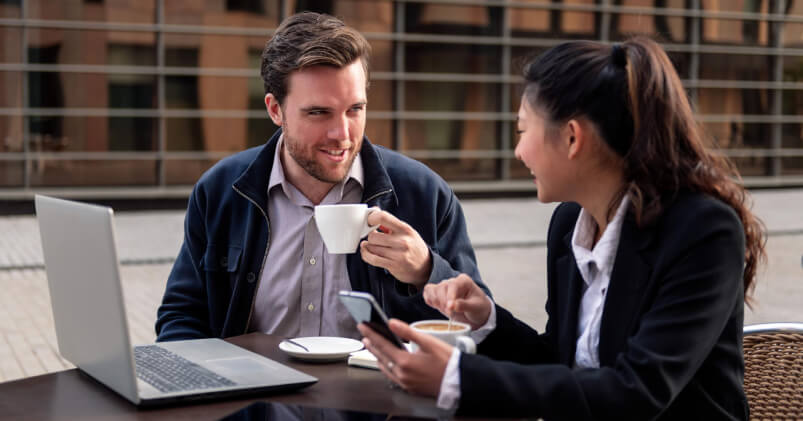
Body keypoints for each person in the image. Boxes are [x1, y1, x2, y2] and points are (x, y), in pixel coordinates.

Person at [358, 36, 766, 420]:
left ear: (572, 138)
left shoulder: (703, 232)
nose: (518, 151)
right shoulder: (570, 224)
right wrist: (487, 320)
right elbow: (561, 363)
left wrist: (458, 377)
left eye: (522, 130)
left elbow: (638, 392)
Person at [155, 12, 489, 342]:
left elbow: (477, 331)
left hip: (377, 395)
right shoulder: (220, 192)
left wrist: (426, 271)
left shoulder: (425, 194)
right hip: (254, 394)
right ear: (275, 110)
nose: (341, 133)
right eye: (318, 112)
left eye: (355, 109)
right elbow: (182, 315)